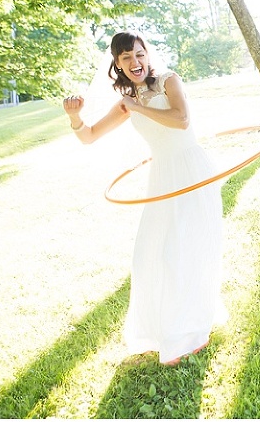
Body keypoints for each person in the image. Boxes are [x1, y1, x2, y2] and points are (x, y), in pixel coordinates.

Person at [63, 31, 226, 366]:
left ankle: (187, 334)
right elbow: (90, 136)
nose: (134, 62)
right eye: (126, 58)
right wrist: (75, 118)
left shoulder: (168, 81)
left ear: (147, 55)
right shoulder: (127, 100)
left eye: (138, 54)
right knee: (149, 256)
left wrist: (137, 106)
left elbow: (181, 121)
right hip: (162, 178)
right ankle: (162, 331)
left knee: (184, 250)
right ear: (117, 64)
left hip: (191, 173)